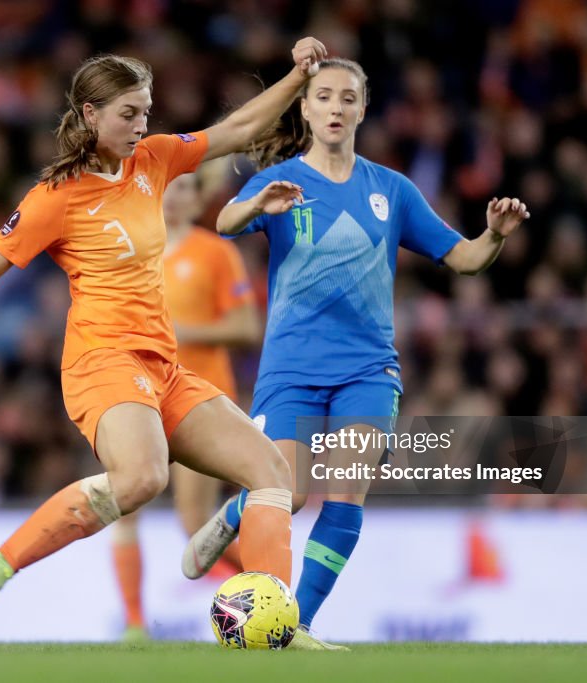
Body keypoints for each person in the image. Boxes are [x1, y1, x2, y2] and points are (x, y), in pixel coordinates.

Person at [0, 38, 338, 649]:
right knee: (140, 479)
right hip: (101, 360)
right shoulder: (54, 199)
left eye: (146, 111)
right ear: (89, 115)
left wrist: (297, 77)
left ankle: (279, 627)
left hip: (164, 366)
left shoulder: (154, 160)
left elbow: (238, 128)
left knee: (273, 475)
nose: (142, 124)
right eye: (128, 113)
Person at [182, 58, 529, 647]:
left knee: (344, 494)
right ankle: (238, 511)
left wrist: (493, 234)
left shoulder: (392, 190)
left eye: (348, 97)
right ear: (306, 109)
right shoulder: (283, 180)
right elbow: (223, 220)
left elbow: (465, 259)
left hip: (368, 369)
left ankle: (299, 624)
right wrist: (257, 205)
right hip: (290, 367)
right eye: (324, 97)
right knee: (286, 494)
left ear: (363, 109)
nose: (337, 107)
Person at [111, 171, 259, 641]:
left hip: (200, 399)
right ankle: (134, 625)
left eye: (184, 189)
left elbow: (246, 327)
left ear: (199, 201)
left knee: (194, 525)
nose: (172, 197)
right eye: (166, 187)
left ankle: (268, 592)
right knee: (125, 504)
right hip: (140, 396)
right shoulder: (132, 253)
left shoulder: (216, 252)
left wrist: (180, 334)